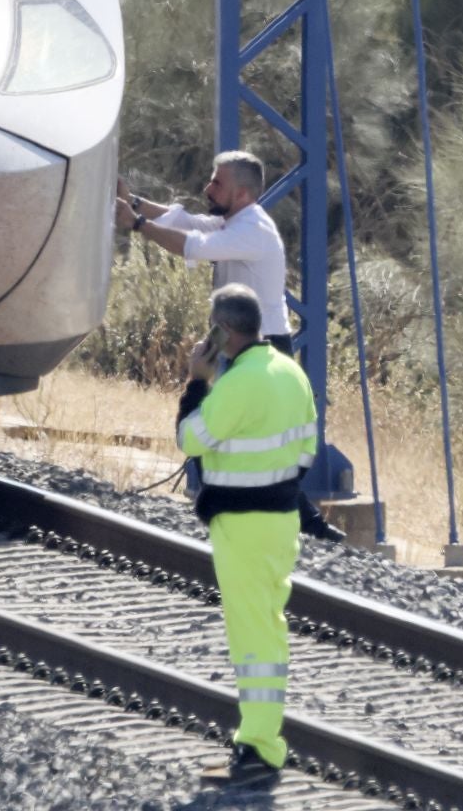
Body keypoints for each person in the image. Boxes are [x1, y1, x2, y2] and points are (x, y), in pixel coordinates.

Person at [117, 151, 345, 543]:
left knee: (234, 434)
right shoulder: (234, 221)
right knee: (221, 433)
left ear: (241, 193)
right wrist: (134, 202)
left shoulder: (251, 231)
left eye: (216, 183)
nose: (207, 188)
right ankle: (295, 523)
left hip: (260, 346)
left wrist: (136, 224)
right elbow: (185, 220)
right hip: (237, 342)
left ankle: (301, 525)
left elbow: (191, 244)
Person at [176, 283, 318, 790]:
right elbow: (306, 452)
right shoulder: (291, 373)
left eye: (214, 328)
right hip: (280, 522)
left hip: (242, 526)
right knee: (269, 627)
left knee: (253, 637)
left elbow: (190, 438)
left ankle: (259, 748)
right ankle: (260, 740)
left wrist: (197, 382)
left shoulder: (236, 384)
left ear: (224, 331)